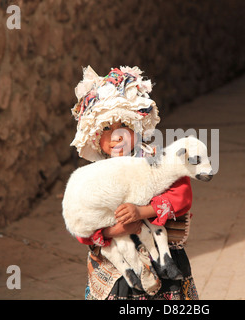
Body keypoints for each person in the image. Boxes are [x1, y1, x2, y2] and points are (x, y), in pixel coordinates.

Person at [69, 65, 199, 300]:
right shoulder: (92, 176)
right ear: (96, 138)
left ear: (137, 129)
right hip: (114, 274)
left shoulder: (155, 160)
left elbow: (182, 197)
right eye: (106, 129)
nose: (117, 136)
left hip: (164, 265)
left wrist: (142, 211)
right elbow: (79, 223)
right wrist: (114, 230)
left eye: (124, 126)